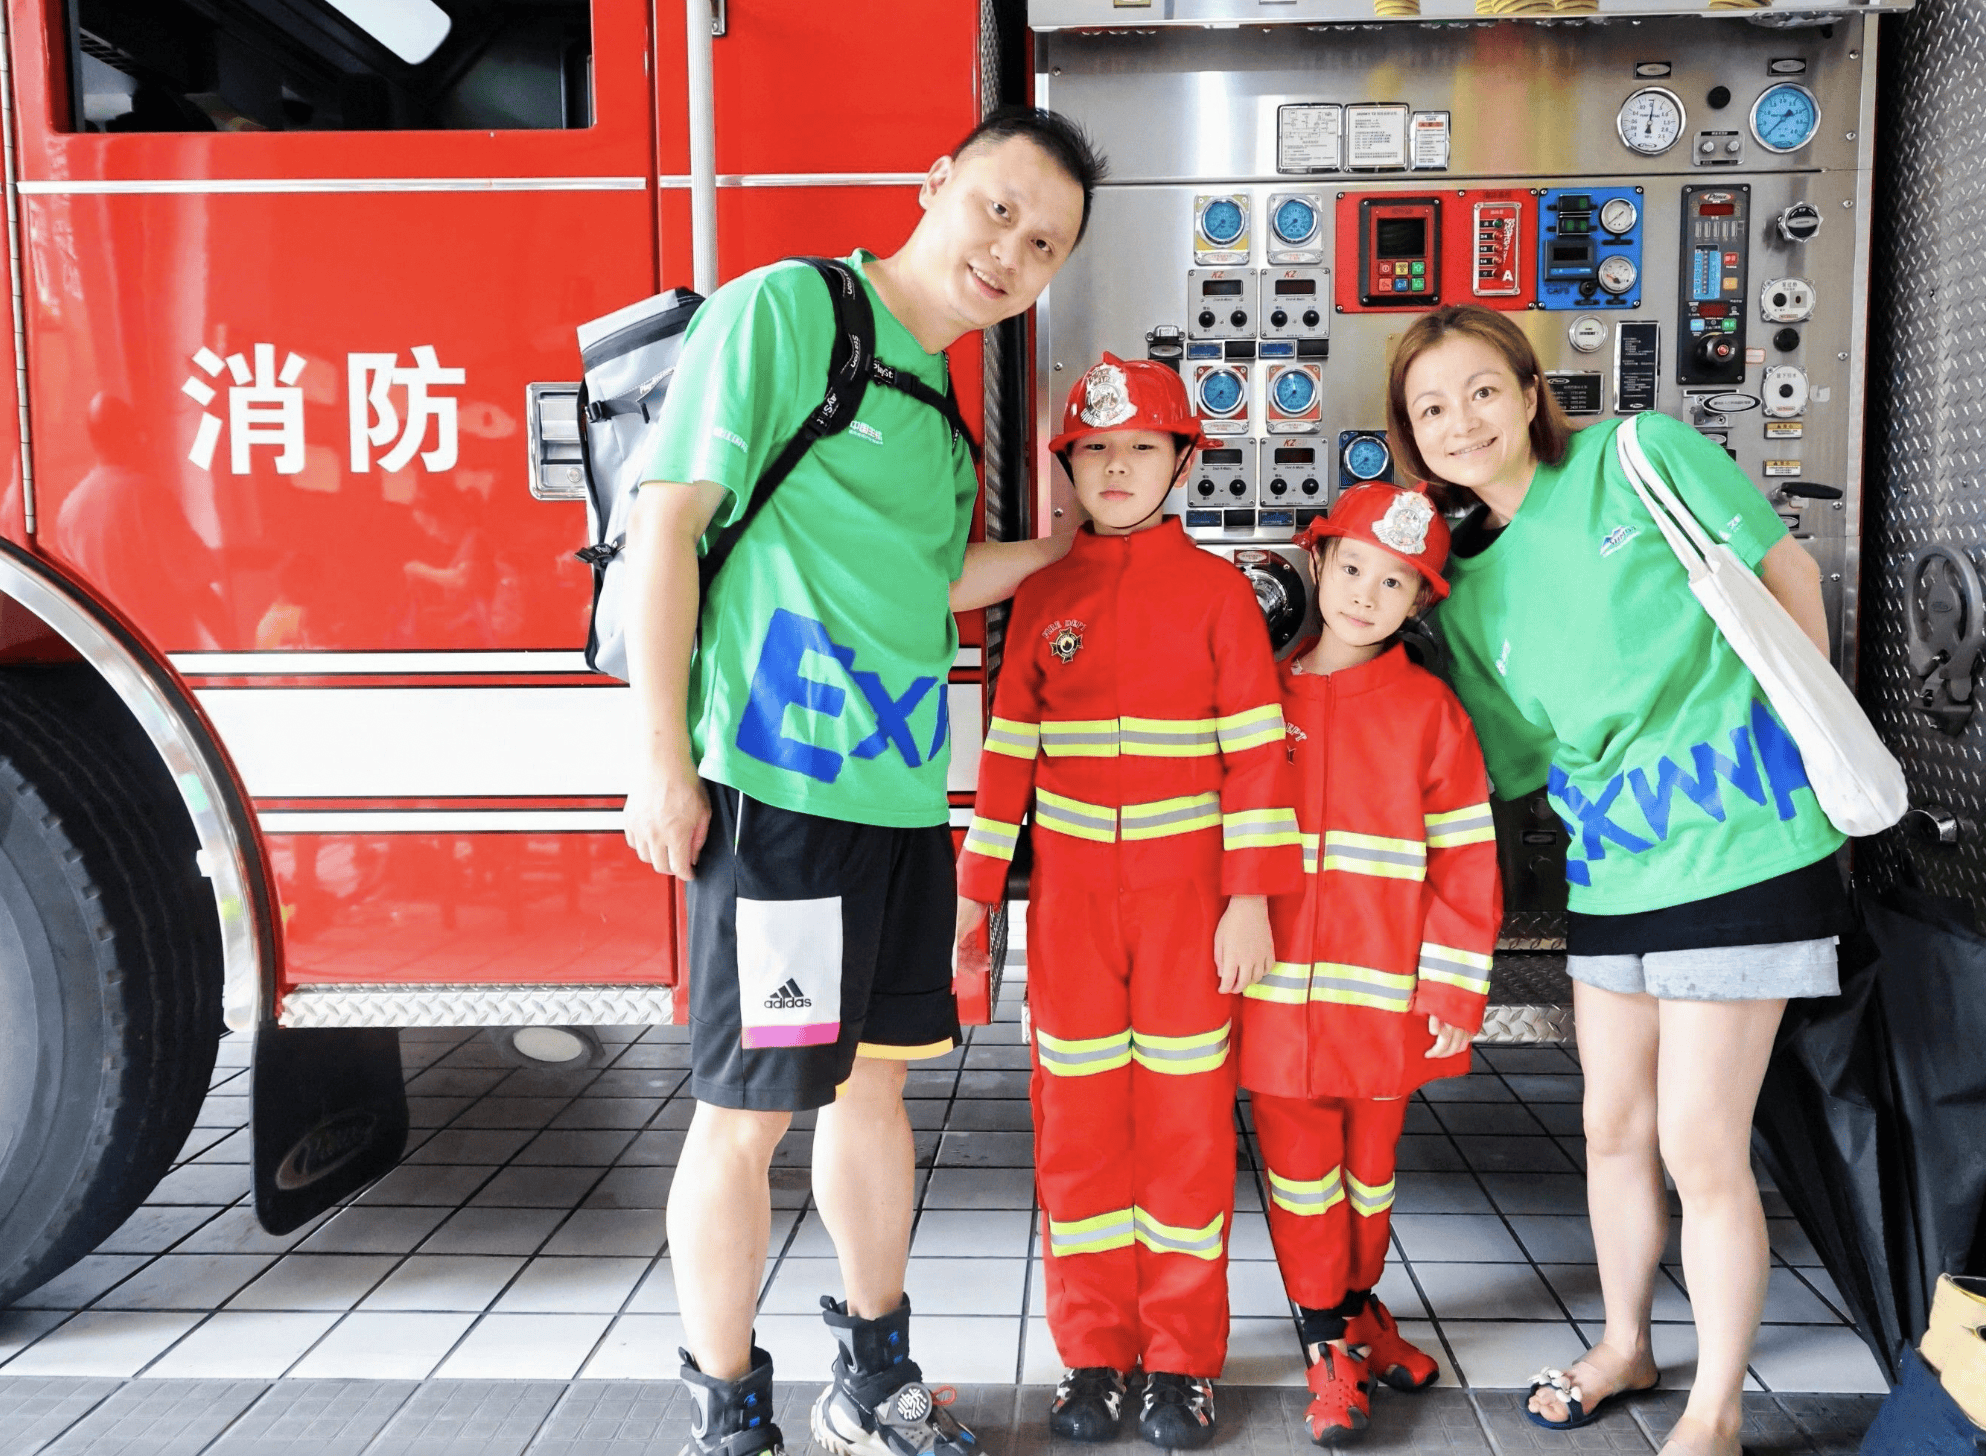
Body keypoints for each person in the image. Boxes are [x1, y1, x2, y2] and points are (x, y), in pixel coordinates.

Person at [620, 108, 1106, 1456]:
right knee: (741, 1119)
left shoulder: (945, 434)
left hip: (899, 814)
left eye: (1043, 240)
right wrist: (658, 753)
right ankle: (726, 1409)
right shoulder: (794, 314)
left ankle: (871, 1375)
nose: (1009, 250)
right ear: (933, 185)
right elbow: (669, 522)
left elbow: (928, 591)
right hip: (775, 802)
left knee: (875, 1096)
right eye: (997, 209)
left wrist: (1051, 555)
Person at [1392, 305, 1848, 1456]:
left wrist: (1796, 739)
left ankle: (1717, 1407)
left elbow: (1784, 567)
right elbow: (1507, 763)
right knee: (1611, 1125)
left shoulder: (1635, 456)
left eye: (1481, 390)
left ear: (1531, 390)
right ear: (1409, 435)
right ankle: (1627, 1342)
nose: (1461, 421)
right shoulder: (1470, 584)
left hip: (1741, 851)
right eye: (1431, 408)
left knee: (1700, 1138)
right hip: (1614, 870)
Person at [955, 355, 1303, 1449]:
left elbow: (1257, 763)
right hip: (1067, 916)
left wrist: (1249, 899)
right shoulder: (1042, 594)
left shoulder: (1217, 596)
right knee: (1077, 1136)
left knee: (1188, 1135)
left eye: (1140, 448)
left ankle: (1183, 1361)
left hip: (1188, 914)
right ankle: (1095, 1353)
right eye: (1093, 450)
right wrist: (976, 894)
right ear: (1065, 469)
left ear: (1184, 463)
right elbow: (1008, 752)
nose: (1115, 467)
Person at [1236, 485, 1502, 1445]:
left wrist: (1455, 986)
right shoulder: (1256, 697)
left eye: (1392, 581)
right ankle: (1327, 1347)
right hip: (1271, 1008)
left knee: (1371, 1179)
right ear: (1317, 565)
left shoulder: (1432, 714)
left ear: (1418, 602)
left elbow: (1468, 858)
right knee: (1299, 1180)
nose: (1364, 594)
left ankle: (1358, 1312)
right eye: (1350, 569)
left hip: (1383, 1005)